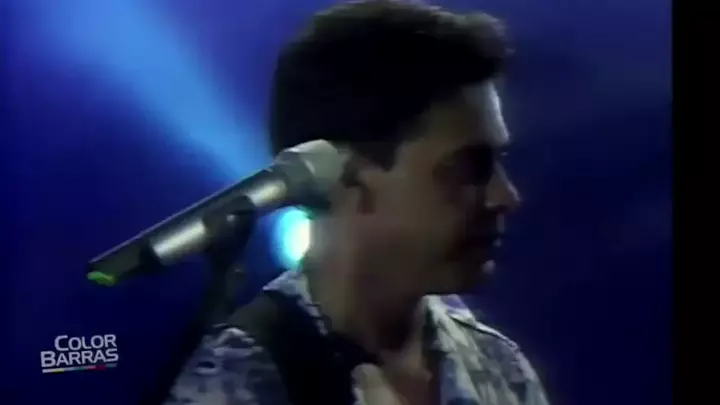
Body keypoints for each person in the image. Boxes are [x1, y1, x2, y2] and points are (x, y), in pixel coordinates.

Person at [165, 1, 549, 404]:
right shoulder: (235, 382)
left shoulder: (500, 366)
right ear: (349, 177)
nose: (506, 197)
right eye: (469, 167)